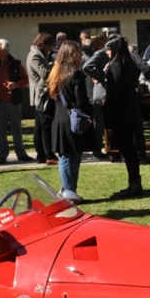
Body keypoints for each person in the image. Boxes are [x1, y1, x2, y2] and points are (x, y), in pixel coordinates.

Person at [94, 35, 144, 198]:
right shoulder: (129, 63)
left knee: (127, 150)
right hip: (131, 111)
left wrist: (106, 106)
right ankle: (135, 182)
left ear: (115, 49)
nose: (107, 52)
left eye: (109, 49)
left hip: (121, 113)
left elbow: (115, 92)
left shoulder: (116, 65)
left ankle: (134, 184)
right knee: (130, 149)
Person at [48, 41, 94, 204]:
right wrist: (93, 112)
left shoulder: (55, 72)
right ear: (71, 53)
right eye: (79, 52)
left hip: (60, 119)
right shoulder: (76, 74)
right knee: (72, 157)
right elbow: (81, 101)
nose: (81, 54)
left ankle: (70, 192)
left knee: (66, 156)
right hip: (74, 119)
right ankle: (69, 192)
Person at [0, 39, 31, 165]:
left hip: (14, 102)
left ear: (5, 51)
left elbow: (26, 79)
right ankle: (2, 155)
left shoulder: (16, 64)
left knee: (16, 129)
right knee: (1, 130)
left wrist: (16, 84)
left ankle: (21, 154)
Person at [27, 32, 56, 164]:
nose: (50, 49)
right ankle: (48, 155)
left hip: (40, 95)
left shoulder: (38, 54)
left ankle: (42, 155)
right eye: (49, 46)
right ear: (42, 43)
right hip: (41, 96)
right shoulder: (34, 56)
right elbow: (45, 73)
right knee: (45, 127)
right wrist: (56, 67)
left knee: (40, 127)